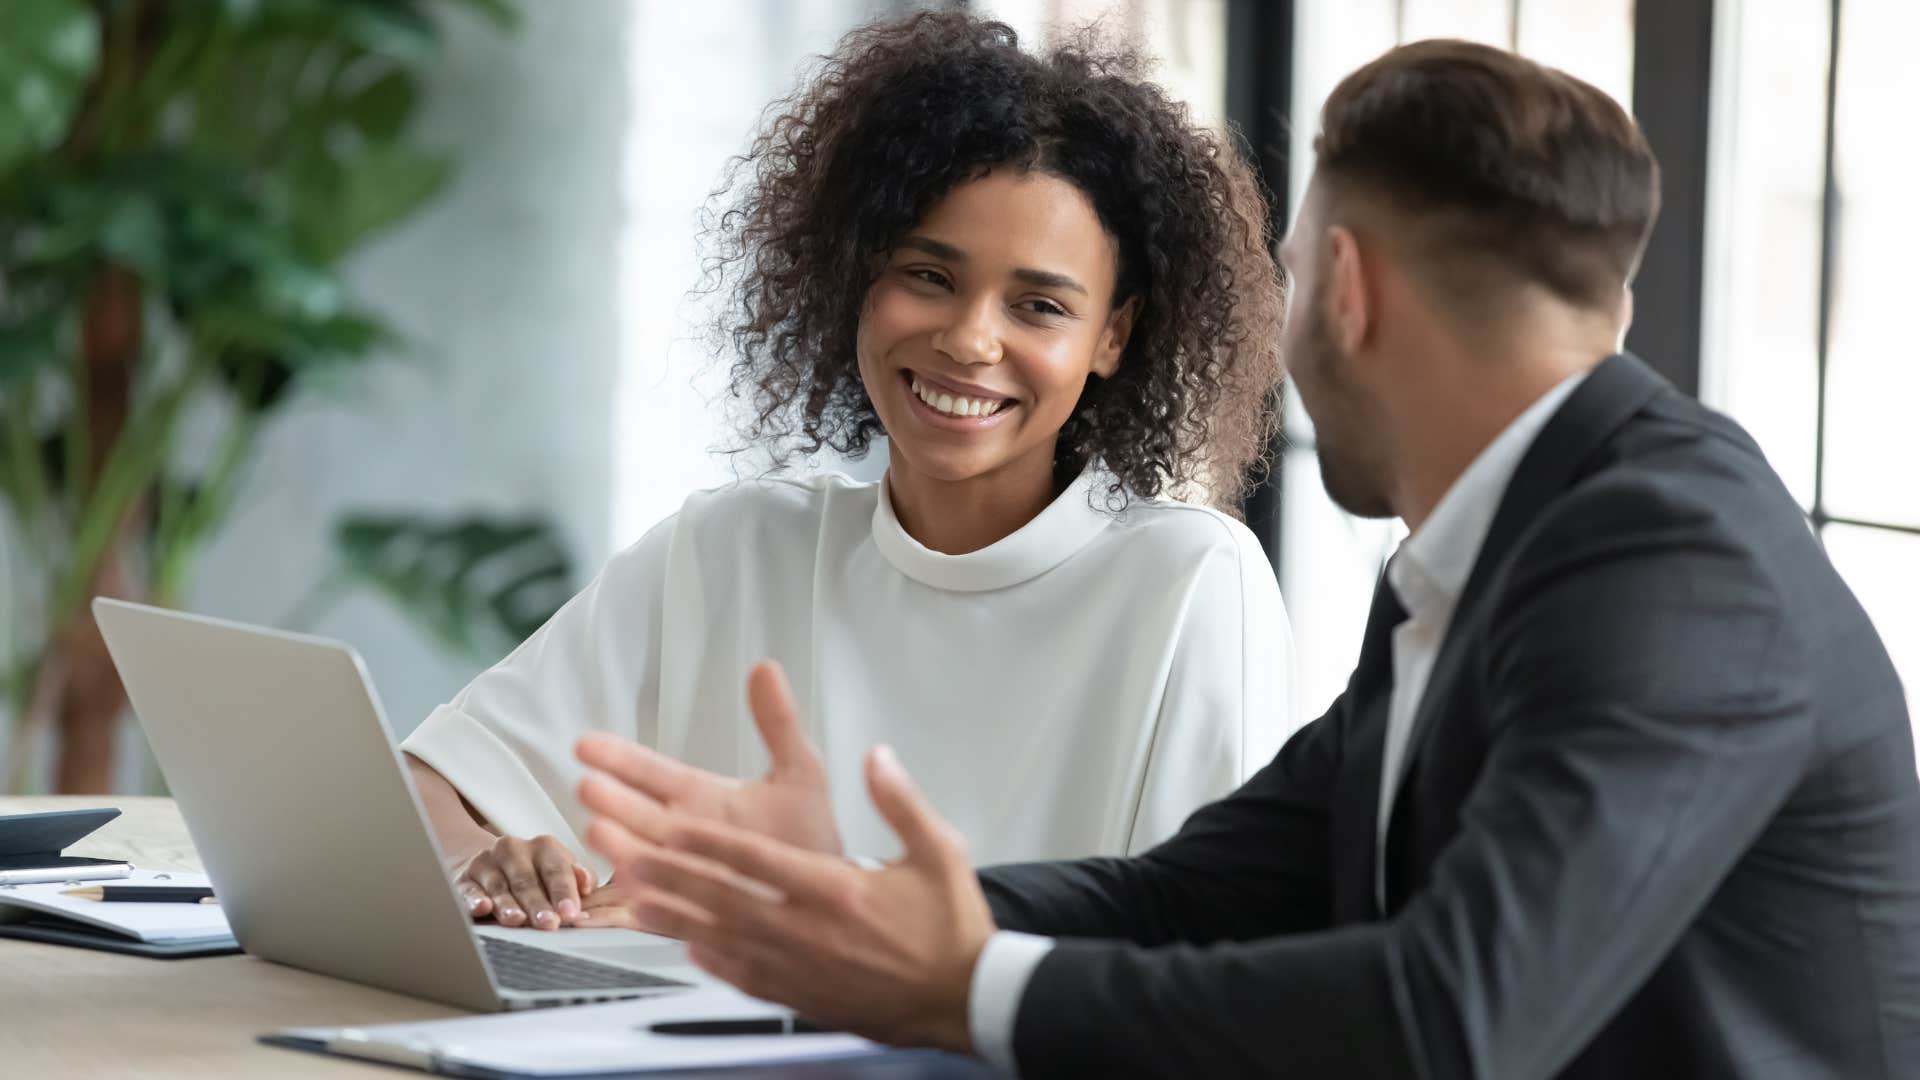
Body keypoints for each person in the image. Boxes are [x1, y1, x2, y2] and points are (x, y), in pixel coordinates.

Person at [571, 39, 1920, 1078]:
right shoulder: (1494, 556)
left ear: (1345, 287)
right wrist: (848, 909)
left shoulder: (1670, 569)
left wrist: (968, 985)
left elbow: (1450, 1020)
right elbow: (1198, 893)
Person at [401, 11, 1296, 937]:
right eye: (929, 276)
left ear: (1113, 335)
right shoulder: (734, 547)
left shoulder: (1189, 584)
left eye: (1037, 305)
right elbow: (418, 786)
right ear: (856, 275)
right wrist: (482, 859)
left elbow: (1205, 958)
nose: (968, 339)